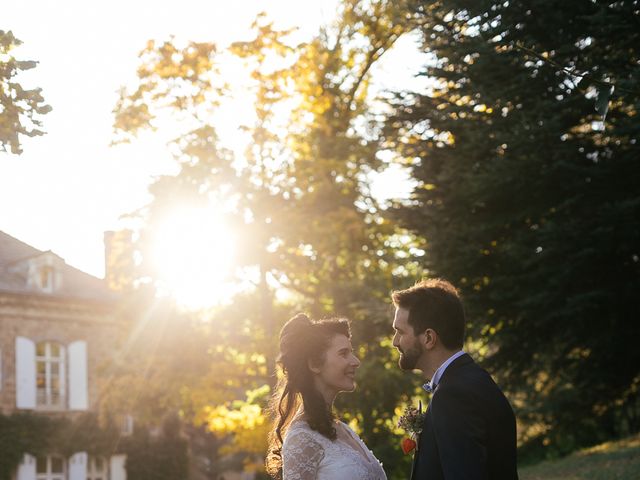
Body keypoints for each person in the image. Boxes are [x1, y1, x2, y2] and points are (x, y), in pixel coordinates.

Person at [391, 279, 519, 480]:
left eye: (400, 331)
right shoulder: (475, 379)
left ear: (429, 338)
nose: (394, 341)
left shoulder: (452, 396)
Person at [266, 313, 387, 480]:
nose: (356, 361)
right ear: (315, 364)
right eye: (343, 353)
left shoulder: (344, 429)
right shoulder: (301, 438)